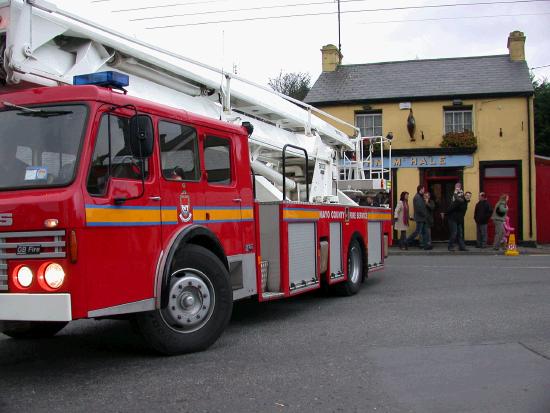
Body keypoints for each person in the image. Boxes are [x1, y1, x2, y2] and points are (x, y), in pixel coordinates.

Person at [447, 187, 470, 251]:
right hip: (453, 219)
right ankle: (450, 246)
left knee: (460, 234)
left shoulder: (465, 202)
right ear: (464, 195)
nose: (468, 197)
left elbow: (462, 213)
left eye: (469, 196)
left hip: (459, 220)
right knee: (454, 233)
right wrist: (448, 214)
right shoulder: (460, 201)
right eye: (467, 195)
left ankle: (462, 247)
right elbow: (450, 208)